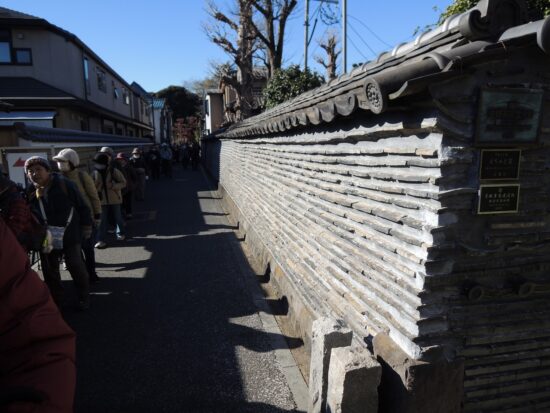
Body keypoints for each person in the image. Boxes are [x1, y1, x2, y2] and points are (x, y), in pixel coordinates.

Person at [0, 216, 76, 413]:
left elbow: (37, 341)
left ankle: (71, 295)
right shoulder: (31, 198)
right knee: (50, 268)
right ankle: (58, 297)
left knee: (61, 265)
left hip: (54, 233)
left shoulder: (16, 204)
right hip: (43, 237)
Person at [25, 156, 92, 310]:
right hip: (47, 237)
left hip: (70, 233)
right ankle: (56, 301)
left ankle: (84, 296)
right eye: (30, 171)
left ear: (48, 170)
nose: (34, 173)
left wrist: (87, 226)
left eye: (38, 169)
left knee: (75, 265)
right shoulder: (30, 191)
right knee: (50, 270)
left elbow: (82, 206)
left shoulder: (64, 184)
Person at [53, 148, 102, 284]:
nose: (60, 164)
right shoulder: (56, 178)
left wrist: (97, 215)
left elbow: (94, 197)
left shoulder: (82, 176)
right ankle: (83, 275)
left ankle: (91, 273)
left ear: (72, 162)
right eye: (58, 161)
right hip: (67, 222)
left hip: (85, 218)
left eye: (63, 161)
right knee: (75, 250)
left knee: (88, 248)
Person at [92, 152, 126, 248]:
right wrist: (96, 187)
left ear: (105, 163)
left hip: (115, 198)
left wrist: (113, 186)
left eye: (99, 163)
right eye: (96, 163)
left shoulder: (113, 171)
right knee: (102, 220)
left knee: (117, 217)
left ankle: (120, 233)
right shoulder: (94, 173)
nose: (97, 165)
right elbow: (91, 187)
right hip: (101, 200)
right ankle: (100, 240)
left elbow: (123, 183)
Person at [115, 152, 137, 218]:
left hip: (129, 187)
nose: (120, 161)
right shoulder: (116, 168)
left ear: (125, 160)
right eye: (119, 159)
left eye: (122, 159)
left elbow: (134, 177)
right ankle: (123, 213)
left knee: (128, 201)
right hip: (120, 187)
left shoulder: (129, 167)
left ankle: (129, 213)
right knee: (121, 202)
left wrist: (133, 185)